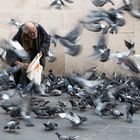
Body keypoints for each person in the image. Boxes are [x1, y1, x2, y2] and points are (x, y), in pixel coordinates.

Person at [5, 21, 51, 126]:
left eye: (35, 31)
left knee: (35, 77)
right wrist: (18, 63)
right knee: (24, 76)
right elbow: (11, 50)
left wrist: (42, 51)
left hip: (37, 56)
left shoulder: (39, 28)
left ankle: (30, 97)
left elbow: (47, 40)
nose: (34, 33)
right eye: (31, 33)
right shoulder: (19, 36)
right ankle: (26, 99)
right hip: (24, 58)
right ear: (26, 32)